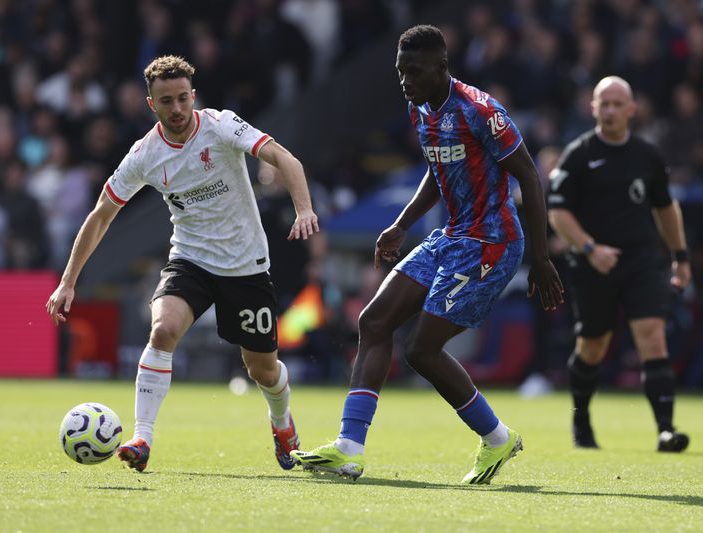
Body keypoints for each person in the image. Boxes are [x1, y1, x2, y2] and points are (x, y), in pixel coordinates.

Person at [292, 25, 563, 484]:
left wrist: (542, 257)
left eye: (414, 71)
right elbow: (438, 170)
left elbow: (531, 179)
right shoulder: (420, 108)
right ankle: (349, 448)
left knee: (421, 350)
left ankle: (497, 439)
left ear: (441, 67)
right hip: (451, 236)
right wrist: (400, 223)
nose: (405, 80)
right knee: (373, 323)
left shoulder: (480, 111)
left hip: (491, 243)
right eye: (400, 71)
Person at [46, 55, 319, 472]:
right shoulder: (144, 155)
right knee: (163, 329)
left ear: (193, 96)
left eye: (182, 98)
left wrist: (303, 210)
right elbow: (102, 213)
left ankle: (282, 424)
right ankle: (142, 437)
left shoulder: (222, 125)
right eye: (166, 101)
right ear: (151, 104)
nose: (176, 109)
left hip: (245, 265)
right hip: (190, 259)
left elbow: (285, 159)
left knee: (262, 369)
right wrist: (68, 281)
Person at [546, 76, 691, 452]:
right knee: (593, 345)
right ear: (593, 108)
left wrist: (680, 256)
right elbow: (558, 214)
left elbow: (665, 209)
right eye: (603, 103)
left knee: (652, 335)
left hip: (642, 260)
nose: (610, 110)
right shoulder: (577, 155)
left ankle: (665, 429)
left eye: (617, 104)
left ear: (631, 110)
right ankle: (581, 419)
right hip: (593, 265)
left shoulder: (647, 155)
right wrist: (591, 248)